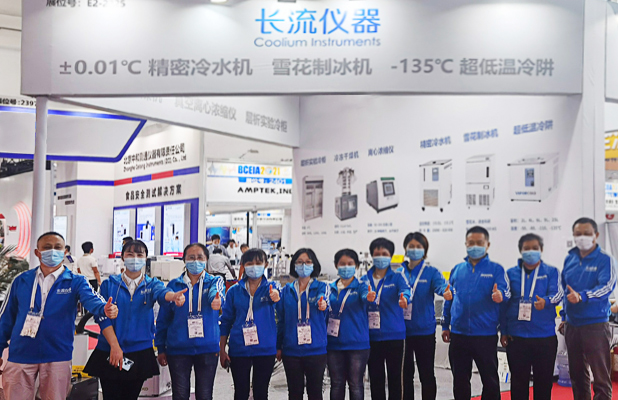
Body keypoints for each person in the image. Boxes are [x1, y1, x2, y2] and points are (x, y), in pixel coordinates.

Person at [0, 231, 118, 400]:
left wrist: (104, 309)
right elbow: (5, 318)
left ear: (64, 252)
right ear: (37, 252)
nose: (53, 251)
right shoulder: (22, 280)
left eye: (58, 247)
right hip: (21, 353)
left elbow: (92, 300)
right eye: (47, 247)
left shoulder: (76, 281)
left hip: (57, 355)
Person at [84, 240, 188, 400]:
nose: (135, 258)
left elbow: (162, 293)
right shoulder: (109, 284)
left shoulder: (152, 284)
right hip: (109, 349)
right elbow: (102, 317)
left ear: (146, 258)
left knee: (131, 396)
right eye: (130, 254)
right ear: (122, 257)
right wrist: (114, 346)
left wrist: (173, 296)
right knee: (110, 396)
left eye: (140, 255)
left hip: (139, 351)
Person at [441, 226, 510, 400]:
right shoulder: (457, 270)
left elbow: (505, 298)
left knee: (490, 381)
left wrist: (505, 328)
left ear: (487, 245)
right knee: (460, 381)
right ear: (466, 244)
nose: (475, 246)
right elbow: (449, 299)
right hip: (459, 335)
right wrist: (445, 325)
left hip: (485, 335)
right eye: (471, 243)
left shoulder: (496, 270)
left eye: (479, 243)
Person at [156, 243, 226, 400]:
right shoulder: (174, 285)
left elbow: (217, 293)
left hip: (207, 348)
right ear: (184, 260)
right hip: (178, 349)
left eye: (200, 257)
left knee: (205, 395)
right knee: (180, 395)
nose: (196, 261)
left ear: (206, 259)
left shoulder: (214, 281)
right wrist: (160, 347)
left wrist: (217, 300)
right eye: (191, 257)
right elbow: (163, 319)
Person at [499, 233, 562, 400]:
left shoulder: (551, 272)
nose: (530, 251)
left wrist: (546, 301)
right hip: (517, 338)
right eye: (526, 248)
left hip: (544, 337)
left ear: (541, 250)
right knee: (518, 384)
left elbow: (558, 294)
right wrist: (503, 331)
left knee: (543, 384)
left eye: (534, 248)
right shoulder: (510, 273)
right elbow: (504, 303)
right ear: (520, 250)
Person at [560, 217, 617, 400]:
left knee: (600, 378)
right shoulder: (570, 259)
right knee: (577, 376)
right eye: (578, 234)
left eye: (586, 233)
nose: (582, 237)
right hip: (572, 326)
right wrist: (564, 317)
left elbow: (607, 287)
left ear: (596, 235)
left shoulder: (605, 259)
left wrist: (583, 296)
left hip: (595, 326)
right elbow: (564, 290)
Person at [220, 249, 281, 400]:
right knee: (241, 392)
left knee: (261, 393)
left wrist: (276, 296)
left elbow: (282, 314)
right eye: (249, 263)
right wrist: (221, 349)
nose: (254, 266)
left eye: (258, 263)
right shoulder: (234, 291)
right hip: (239, 348)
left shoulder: (272, 288)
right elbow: (226, 321)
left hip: (265, 349)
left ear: (266, 265)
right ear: (243, 265)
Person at [397, 232, 451, 400]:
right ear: (405, 249)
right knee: (405, 375)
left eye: (418, 247)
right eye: (411, 246)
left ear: (425, 250)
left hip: (424, 332)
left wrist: (446, 292)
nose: (414, 250)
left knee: (426, 374)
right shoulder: (398, 272)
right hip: (402, 332)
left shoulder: (431, 272)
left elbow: (441, 287)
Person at [360, 238, 411, 400]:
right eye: (377, 254)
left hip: (394, 336)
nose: (380, 257)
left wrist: (405, 298)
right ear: (372, 256)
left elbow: (406, 290)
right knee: (376, 379)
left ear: (390, 256)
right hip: (371, 337)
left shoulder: (397, 277)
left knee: (395, 378)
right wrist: (365, 297)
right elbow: (360, 297)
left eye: (384, 254)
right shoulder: (364, 279)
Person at [276, 248, 329, 400]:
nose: (303, 265)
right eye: (299, 262)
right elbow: (281, 320)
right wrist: (278, 346)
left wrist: (323, 304)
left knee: (315, 393)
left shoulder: (321, 288)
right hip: (291, 351)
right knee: (294, 393)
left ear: (314, 265)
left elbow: (325, 300)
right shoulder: (286, 291)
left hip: (315, 350)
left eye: (307, 262)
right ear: (294, 265)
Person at [327, 249, 377, 400]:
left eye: (350, 264)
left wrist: (369, 297)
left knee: (355, 385)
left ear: (356, 266)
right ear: (336, 265)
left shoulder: (361, 286)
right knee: (336, 384)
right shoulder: (329, 288)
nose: (346, 267)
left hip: (357, 345)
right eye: (342, 264)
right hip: (333, 344)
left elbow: (366, 296)